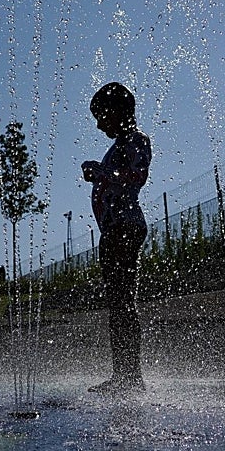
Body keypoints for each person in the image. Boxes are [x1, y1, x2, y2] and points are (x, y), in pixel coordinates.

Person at [82, 82, 151, 394]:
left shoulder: (137, 140)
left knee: (122, 302)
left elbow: (138, 178)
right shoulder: (118, 146)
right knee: (117, 302)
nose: (99, 124)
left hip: (125, 227)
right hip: (115, 229)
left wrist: (102, 174)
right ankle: (124, 374)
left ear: (118, 112)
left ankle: (129, 377)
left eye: (102, 116)